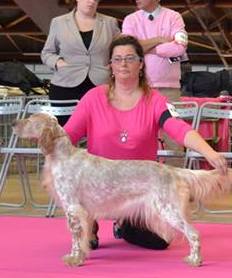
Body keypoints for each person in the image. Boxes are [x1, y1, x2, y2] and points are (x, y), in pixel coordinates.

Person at [63, 35, 227, 250]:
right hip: (97, 187)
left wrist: (209, 153)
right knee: (88, 240)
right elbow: (68, 135)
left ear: (141, 64)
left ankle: (125, 223)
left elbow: (177, 127)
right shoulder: (93, 98)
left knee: (159, 243)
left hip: (139, 189)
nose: (123, 64)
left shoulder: (155, 99)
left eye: (130, 58)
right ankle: (90, 224)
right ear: (110, 65)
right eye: (117, 59)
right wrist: (48, 138)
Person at [41, 0, 120, 126]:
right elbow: (46, 53)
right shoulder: (58, 22)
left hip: (100, 85)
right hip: (65, 86)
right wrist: (58, 62)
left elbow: (120, 49)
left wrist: (113, 63)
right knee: (66, 134)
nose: (91, 2)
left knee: (101, 130)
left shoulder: (110, 22)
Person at [122, 0, 188, 102]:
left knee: (169, 118)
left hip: (170, 88)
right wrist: (159, 40)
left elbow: (180, 47)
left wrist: (146, 48)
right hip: (138, 86)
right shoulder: (130, 20)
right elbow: (129, 49)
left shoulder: (174, 17)